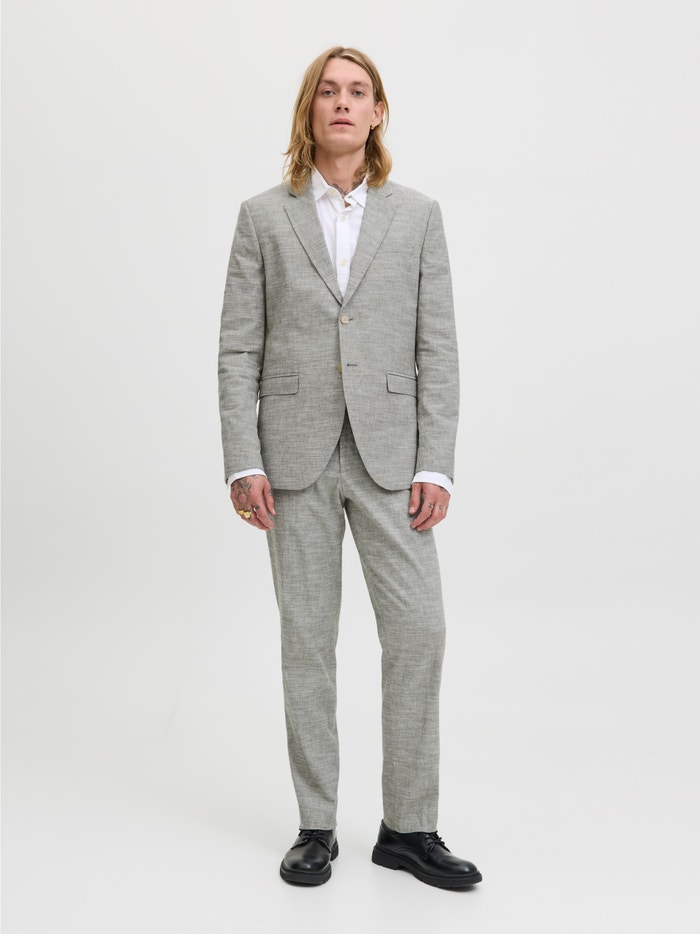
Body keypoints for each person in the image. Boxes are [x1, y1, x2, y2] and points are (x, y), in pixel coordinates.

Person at [218, 46, 482, 889]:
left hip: (391, 457)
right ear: (310, 110)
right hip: (291, 456)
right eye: (328, 91)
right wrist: (242, 459)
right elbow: (238, 348)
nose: (342, 102)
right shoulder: (264, 216)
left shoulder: (418, 216)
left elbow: (438, 347)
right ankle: (316, 824)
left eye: (357, 91)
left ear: (377, 112)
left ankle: (409, 826)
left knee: (420, 630)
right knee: (308, 641)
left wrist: (437, 463)